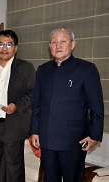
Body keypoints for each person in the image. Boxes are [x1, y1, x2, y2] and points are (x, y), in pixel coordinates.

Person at [31, 27, 104, 182]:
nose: (58, 45)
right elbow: (37, 104)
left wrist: (94, 135)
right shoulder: (42, 70)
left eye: (63, 41)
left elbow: (96, 106)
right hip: (47, 139)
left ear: (73, 44)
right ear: (49, 46)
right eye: (54, 42)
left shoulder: (86, 69)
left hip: (73, 141)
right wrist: (34, 131)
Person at [0, 29, 36, 182]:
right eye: (1, 44)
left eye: (9, 44)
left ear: (15, 48)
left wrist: (16, 106)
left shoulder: (26, 68)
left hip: (13, 124)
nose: (4, 48)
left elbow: (32, 93)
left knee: (13, 166)